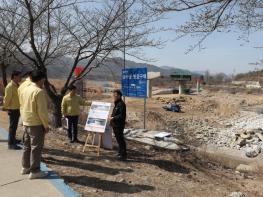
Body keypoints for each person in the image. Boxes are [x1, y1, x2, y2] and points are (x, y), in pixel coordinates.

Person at [21, 70, 49, 179]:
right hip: (36, 123)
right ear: (41, 79)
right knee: (36, 147)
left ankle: (25, 167)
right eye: (43, 79)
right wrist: (45, 125)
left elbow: (22, 105)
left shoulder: (25, 89)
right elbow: (42, 111)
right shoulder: (38, 91)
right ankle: (35, 171)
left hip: (26, 121)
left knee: (26, 146)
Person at [3, 70, 22, 150]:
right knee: (12, 127)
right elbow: (7, 99)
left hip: (17, 108)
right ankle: (11, 144)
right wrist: (6, 107)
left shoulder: (16, 85)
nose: (20, 78)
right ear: (14, 76)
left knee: (14, 126)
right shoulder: (10, 86)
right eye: (19, 76)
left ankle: (13, 139)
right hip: (12, 109)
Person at [110, 89, 127, 160]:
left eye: (115, 95)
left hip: (119, 125)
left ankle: (123, 155)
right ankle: (120, 152)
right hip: (115, 124)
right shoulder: (117, 103)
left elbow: (122, 115)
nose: (114, 96)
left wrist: (113, 118)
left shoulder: (121, 104)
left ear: (119, 96)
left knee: (120, 139)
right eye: (113, 94)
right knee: (118, 139)